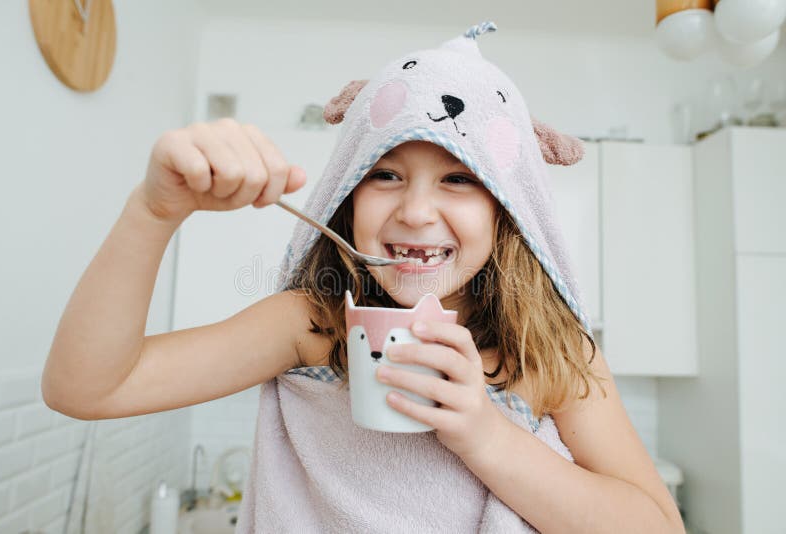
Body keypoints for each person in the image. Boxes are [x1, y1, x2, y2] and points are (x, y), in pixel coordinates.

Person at [43, 22, 685, 532]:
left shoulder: (554, 355)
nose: (414, 210)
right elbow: (89, 389)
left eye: (459, 179)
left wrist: (484, 434)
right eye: (386, 173)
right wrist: (154, 212)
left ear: (508, 211)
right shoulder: (310, 326)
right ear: (348, 196)